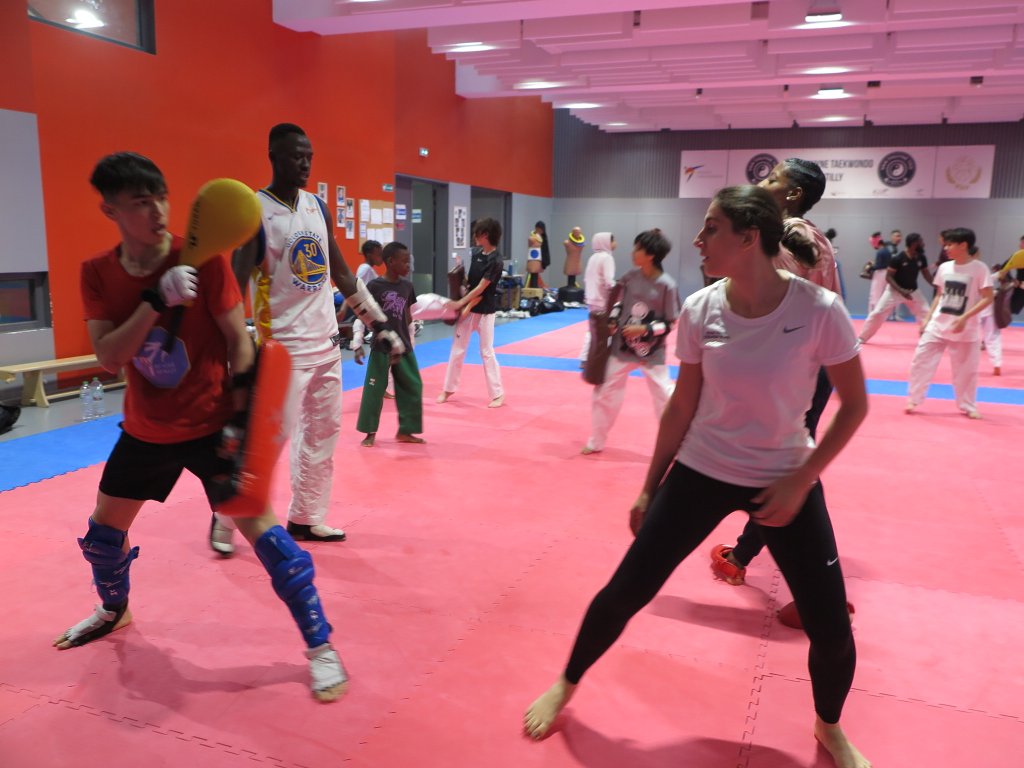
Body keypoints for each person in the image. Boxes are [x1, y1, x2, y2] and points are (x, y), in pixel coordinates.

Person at [524, 185, 870, 768]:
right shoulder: (702, 307)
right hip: (703, 469)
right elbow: (683, 406)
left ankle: (828, 727)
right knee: (626, 590)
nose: (697, 239)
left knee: (831, 626)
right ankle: (567, 681)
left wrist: (802, 478)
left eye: (711, 228)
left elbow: (854, 405)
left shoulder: (818, 310)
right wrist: (648, 485)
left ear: (749, 237)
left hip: (784, 475)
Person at [56, 152, 347, 702]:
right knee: (102, 537)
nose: (158, 210)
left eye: (161, 196)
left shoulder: (207, 261)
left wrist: (242, 421)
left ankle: (321, 646)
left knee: (269, 540)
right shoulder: (98, 272)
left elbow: (239, 341)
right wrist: (153, 300)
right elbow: (109, 357)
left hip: (212, 426)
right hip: (145, 429)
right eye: (141, 202)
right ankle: (114, 611)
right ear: (111, 209)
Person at [214, 123, 400, 554]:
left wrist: (377, 322)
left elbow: (340, 272)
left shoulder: (318, 206)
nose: (304, 164)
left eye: (309, 156)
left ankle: (307, 516)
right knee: (265, 443)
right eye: (296, 156)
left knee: (323, 432)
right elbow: (235, 284)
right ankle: (223, 519)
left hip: (325, 343)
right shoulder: (254, 211)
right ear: (273, 157)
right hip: (283, 348)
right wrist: (233, 350)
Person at [711, 159, 841, 593]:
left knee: (793, 468)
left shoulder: (791, 236)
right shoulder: (803, 235)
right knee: (785, 464)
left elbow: (765, 303)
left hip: (795, 371)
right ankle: (746, 555)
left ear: (791, 195)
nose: (760, 183)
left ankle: (823, 587)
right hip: (807, 367)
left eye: (771, 179)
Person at [581, 229, 678, 455]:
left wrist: (643, 329)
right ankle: (597, 440)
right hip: (622, 347)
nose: (633, 252)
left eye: (637, 248)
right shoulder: (629, 277)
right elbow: (618, 303)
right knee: (604, 392)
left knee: (664, 396)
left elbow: (672, 322)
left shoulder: (667, 285)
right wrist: (613, 320)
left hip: (652, 351)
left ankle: (676, 446)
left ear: (651, 254)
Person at [906, 228, 993, 419]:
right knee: (921, 360)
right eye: (946, 244)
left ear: (964, 245)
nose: (946, 248)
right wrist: (927, 319)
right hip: (938, 324)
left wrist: (965, 317)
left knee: (966, 370)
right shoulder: (945, 268)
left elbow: (988, 298)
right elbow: (939, 295)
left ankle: (968, 405)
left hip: (965, 327)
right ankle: (914, 398)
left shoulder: (980, 268)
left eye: (950, 244)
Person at [354, 242, 425, 447]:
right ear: (390, 262)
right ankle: (369, 432)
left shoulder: (407, 286)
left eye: (408, 261)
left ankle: (406, 431)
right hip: (381, 346)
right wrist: (357, 342)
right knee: (374, 390)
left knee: (413, 386)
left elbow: (408, 316)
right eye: (404, 261)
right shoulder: (375, 286)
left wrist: (409, 338)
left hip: (403, 346)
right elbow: (363, 314)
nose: (408, 265)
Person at [437, 218, 505, 408]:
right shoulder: (476, 254)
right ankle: (448, 389)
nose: (474, 237)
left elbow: (481, 289)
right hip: (469, 309)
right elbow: (471, 283)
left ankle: (497, 394)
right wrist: (459, 278)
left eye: (476, 233)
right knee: (457, 350)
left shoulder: (496, 261)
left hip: (485, 311)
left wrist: (461, 303)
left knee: (487, 352)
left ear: (485, 235)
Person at [857, 232, 933, 343]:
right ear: (913, 244)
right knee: (878, 313)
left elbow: (926, 274)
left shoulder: (921, 258)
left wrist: (936, 285)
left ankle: (928, 338)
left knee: (926, 312)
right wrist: (901, 291)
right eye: (921, 242)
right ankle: (862, 338)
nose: (923, 244)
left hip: (913, 292)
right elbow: (888, 277)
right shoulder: (898, 258)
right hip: (894, 291)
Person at [579, 232, 617, 365]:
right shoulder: (607, 258)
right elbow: (608, 281)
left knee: (593, 329)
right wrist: (617, 291)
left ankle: (585, 358)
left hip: (591, 298)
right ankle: (604, 357)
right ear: (606, 242)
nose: (615, 244)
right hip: (602, 298)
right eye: (613, 241)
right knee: (607, 328)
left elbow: (586, 279)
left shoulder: (593, 257)